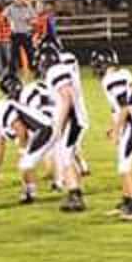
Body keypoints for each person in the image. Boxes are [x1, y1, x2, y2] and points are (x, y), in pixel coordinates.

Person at [0, 89, 54, 205]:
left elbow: (20, 129)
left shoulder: (0, 111)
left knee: (25, 163)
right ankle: (33, 192)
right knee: (27, 163)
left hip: (43, 128)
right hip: (39, 131)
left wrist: (22, 150)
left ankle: (30, 193)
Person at [91, 49, 132, 221]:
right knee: (122, 165)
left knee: (124, 167)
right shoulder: (123, 73)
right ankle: (127, 202)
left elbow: (124, 107)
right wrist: (113, 126)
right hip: (129, 124)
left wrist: (116, 130)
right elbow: (119, 107)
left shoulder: (112, 79)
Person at [38, 46, 87, 212]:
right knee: (67, 157)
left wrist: (60, 124)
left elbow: (66, 97)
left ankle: (75, 195)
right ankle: (74, 191)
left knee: (65, 158)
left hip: (72, 120)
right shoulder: (62, 69)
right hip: (75, 118)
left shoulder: (55, 72)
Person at [3, 0, 37, 77]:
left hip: (26, 33)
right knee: (13, 55)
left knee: (30, 54)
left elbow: (35, 19)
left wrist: (29, 20)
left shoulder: (28, 7)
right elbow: (3, 16)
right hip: (15, 34)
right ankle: (12, 72)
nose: (18, 0)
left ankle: (34, 70)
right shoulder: (10, 8)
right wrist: (8, 20)